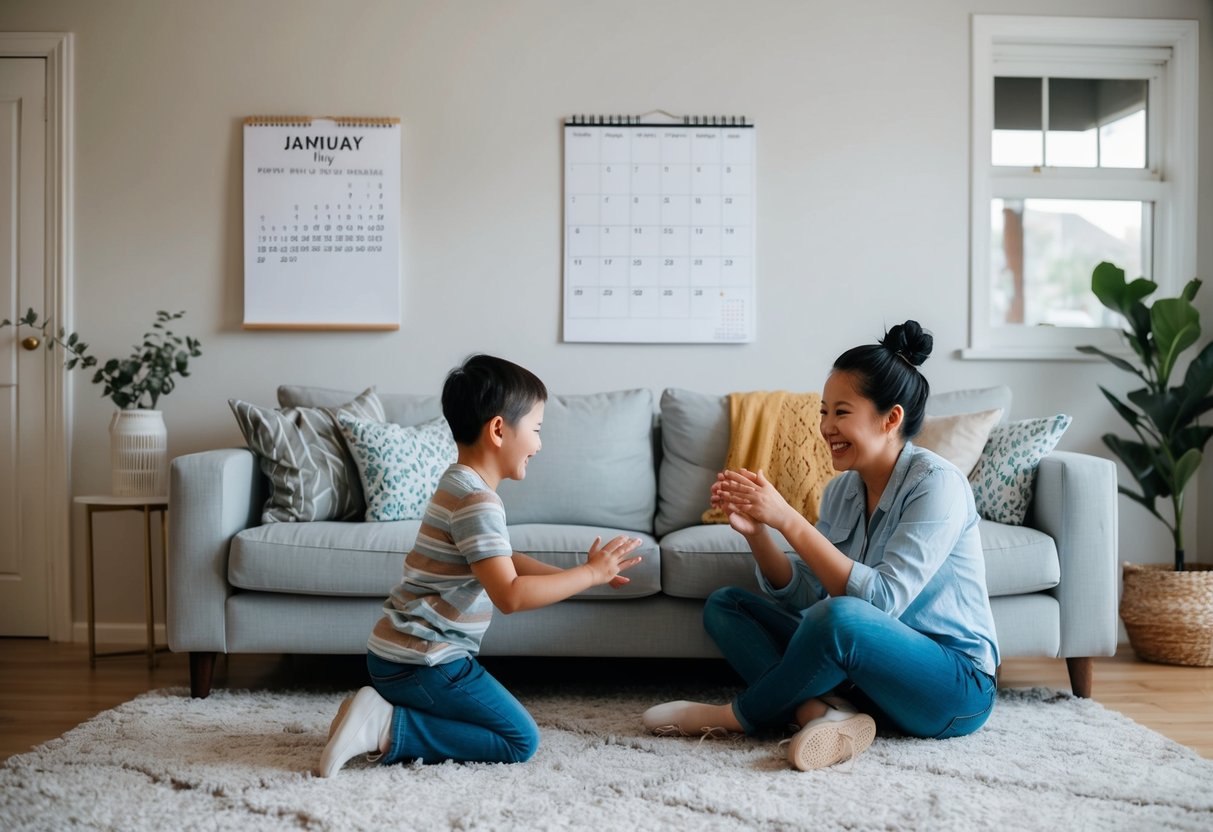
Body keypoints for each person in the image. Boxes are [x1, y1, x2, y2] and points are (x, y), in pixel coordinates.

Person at [642, 321, 999, 771]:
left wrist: (789, 518)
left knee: (843, 616)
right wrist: (758, 533)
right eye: (823, 411)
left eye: (842, 412)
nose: (826, 427)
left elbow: (881, 602)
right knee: (728, 605)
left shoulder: (937, 485)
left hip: (953, 686)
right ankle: (824, 713)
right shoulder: (842, 491)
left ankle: (738, 716)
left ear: (891, 419)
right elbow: (807, 593)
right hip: (868, 675)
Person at [320, 354, 643, 777]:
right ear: (498, 430)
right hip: (425, 662)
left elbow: (503, 562)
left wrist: (583, 577)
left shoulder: (457, 482)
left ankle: (375, 712)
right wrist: (589, 574)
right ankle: (385, 725)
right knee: (519, 740)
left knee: (485, 724)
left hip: (400, 656)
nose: (540, 444)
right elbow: (508, 595)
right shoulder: (478, 501)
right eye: (537, 429)